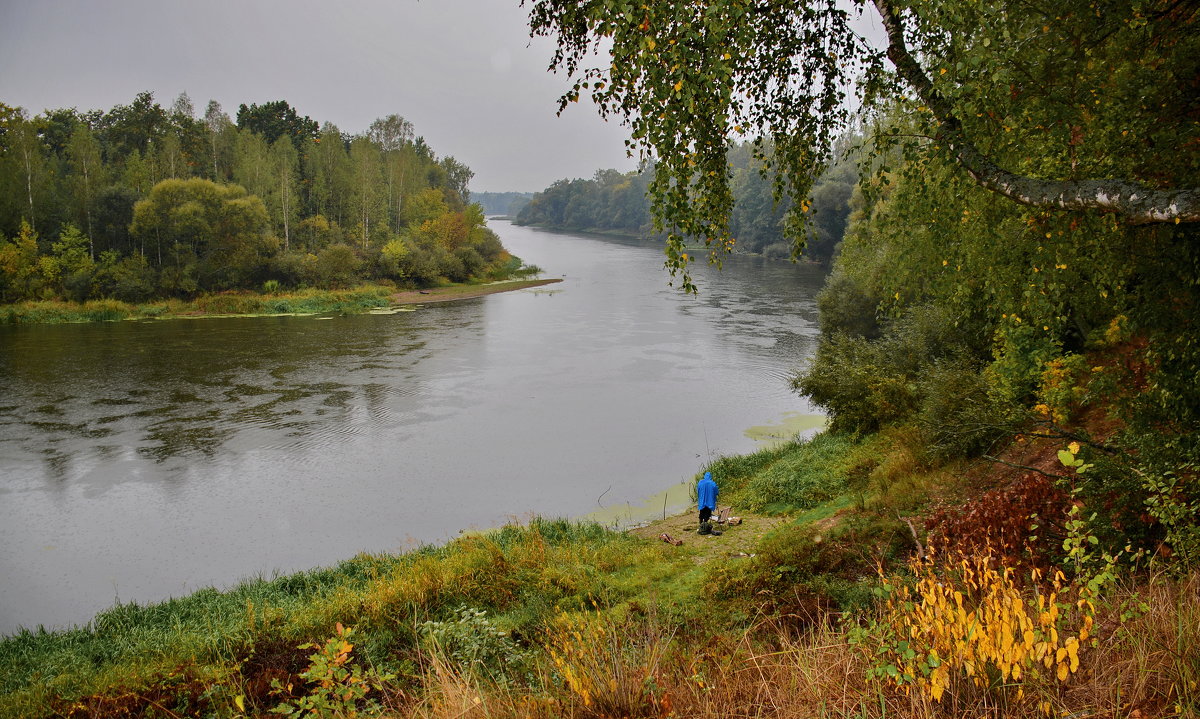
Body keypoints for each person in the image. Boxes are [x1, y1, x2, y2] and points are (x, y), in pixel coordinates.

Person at [697, 471, 720, 535]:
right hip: (709, 502)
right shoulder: (712, 483)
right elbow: (716, 491)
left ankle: (701, 524)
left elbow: (698, 490)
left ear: (704, 477)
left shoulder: (700, 482)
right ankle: (705, 525)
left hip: (702, 501)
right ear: (710, 477)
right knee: (707, 513)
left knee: (702, 512)